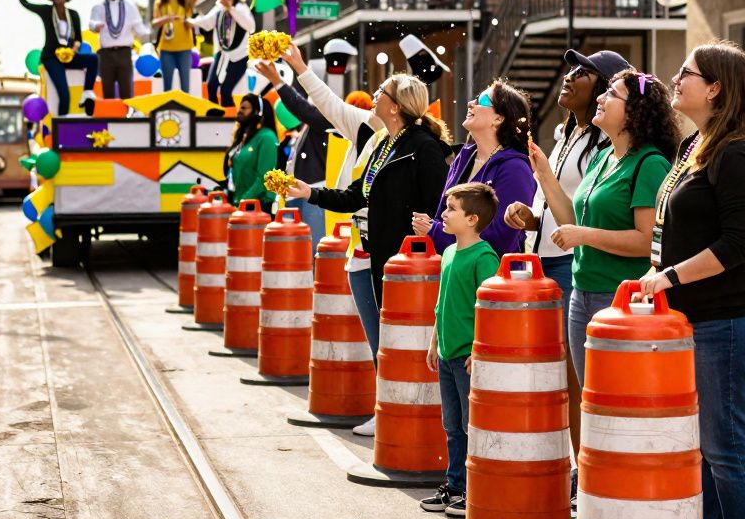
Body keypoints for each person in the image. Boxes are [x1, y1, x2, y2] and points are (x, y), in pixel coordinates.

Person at [637, 41, 745, 519]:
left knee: (724, 447)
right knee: (702, 446)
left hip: (731, 319)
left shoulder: (738, 152)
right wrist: (657, 272)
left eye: (686, 73)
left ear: (715, 88)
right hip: (693, 316)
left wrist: (668, 277)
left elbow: (739, 243)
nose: (675, 80)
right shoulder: (692, 146)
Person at [502, 49, 623, 506]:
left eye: (583, 72)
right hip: (549, 258)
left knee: (578, 381)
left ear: (605, 87)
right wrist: (531, 220)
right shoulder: (566, 134)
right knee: (560, 379)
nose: (569, 77)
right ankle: (578, 469)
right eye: (570, 69)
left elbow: (583, 211)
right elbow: (558, 206)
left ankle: (585, 478)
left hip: (574, 266)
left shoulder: (601, 143)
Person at [527, 70, 676, 386]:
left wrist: (584, 236)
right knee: (591, 400)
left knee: (617, 400)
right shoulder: (604, 156)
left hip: (620, 297)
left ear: (634, 111)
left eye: (611, 94)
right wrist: (544, 176)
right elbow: (573, 223)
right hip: (581, 295)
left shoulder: (650, 164)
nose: (599, 98)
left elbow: (647, 240)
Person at [278, 45, 382, 435]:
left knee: (383, 334)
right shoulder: (370, 134)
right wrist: (298, 68)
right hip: (359, 245)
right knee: (373, 331)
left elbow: (321, 106)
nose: (374, 99)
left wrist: (288, 76)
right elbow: (325, 103)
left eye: (382, 95)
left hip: (379, 248)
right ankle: (381, 405)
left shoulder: (397, 139)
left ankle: (385, 407)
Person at [286, 73, 450, 317]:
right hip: (373, 258)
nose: (375, 94)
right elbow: (357, 196)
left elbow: (435, 208)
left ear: (395, 107)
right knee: (381, 348)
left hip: (406, 266)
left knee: (397, 343)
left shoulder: (424, 147)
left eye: (381, 91)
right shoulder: (384, 144)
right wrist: (311, 193)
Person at [419, 182, 500, 518]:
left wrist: (479, 351)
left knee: (471, 426)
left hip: (468, 357)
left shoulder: (484, 257)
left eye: (451, 209)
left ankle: (472, 488)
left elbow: (490, 309)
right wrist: (434, 341)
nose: (444, 215)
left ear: (472, 219)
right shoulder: (449, 253)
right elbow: (441, 304)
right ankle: (454, 484)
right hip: (448, 352)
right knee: (452, 425)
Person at [413, 79, 536, 257]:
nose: (471, 103)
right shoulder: (463, 158)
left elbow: (501, 239)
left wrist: (435, 232)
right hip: (456, 270)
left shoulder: (515, 168)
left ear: (499, 118)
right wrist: (432, 228)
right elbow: (443, 215)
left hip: (492, 278)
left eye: (482, 101)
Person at [256, 59, 328, 252]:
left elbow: (300, 108)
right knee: (295, 249)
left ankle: (313, 280)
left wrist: (277, 81)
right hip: (299, 193)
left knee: (313, 248)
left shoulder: (326, 119)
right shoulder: (310, 126)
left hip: (313, 194)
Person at [13, 0, 100, 115]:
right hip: (52, 58)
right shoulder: (47, 11)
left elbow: (78, 38)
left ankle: (87, 92)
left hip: (69, 56)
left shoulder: (73, 14)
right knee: (64, 94)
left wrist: (75, 47)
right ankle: (62, 126)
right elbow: (25, 3)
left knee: (93, 59)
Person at [192, 0, 255, 107]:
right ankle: (214, 115)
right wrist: (189, 21)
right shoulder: (218, 9)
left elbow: (250, 26)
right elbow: (207, 23)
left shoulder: (241, 8)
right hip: (221, 54)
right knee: (211, 86)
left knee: (226, 90)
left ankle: (230, 120)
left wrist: (231, 9)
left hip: (239, 56)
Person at [88, 0, 151, 100]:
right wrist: (96, 26)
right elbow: (92, 23)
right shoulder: (99, 7)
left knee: (126, 89)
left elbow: (140, 28)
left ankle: (126, 118)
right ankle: (110, 117)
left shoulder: (129, 7)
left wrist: (152, 33)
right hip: (106, 54)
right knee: (108, 90)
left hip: (124, 53)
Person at [151, 0, 202, 93]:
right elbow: (154, 23)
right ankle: (168, 113)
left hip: (184, 49)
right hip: (166, 49)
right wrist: (166, 19)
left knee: (185, 86)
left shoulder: (186, 0)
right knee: (167, 87)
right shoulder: (160, 2)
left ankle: (185, 113)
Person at [224, 94, 278, 206]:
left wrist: (243, 200)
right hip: (239, 201)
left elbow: (264, 177)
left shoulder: (267, 137)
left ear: (258, 112)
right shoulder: (244, 137)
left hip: (258, 205)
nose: (239, 111)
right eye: (240, 107)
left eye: (244, 108)